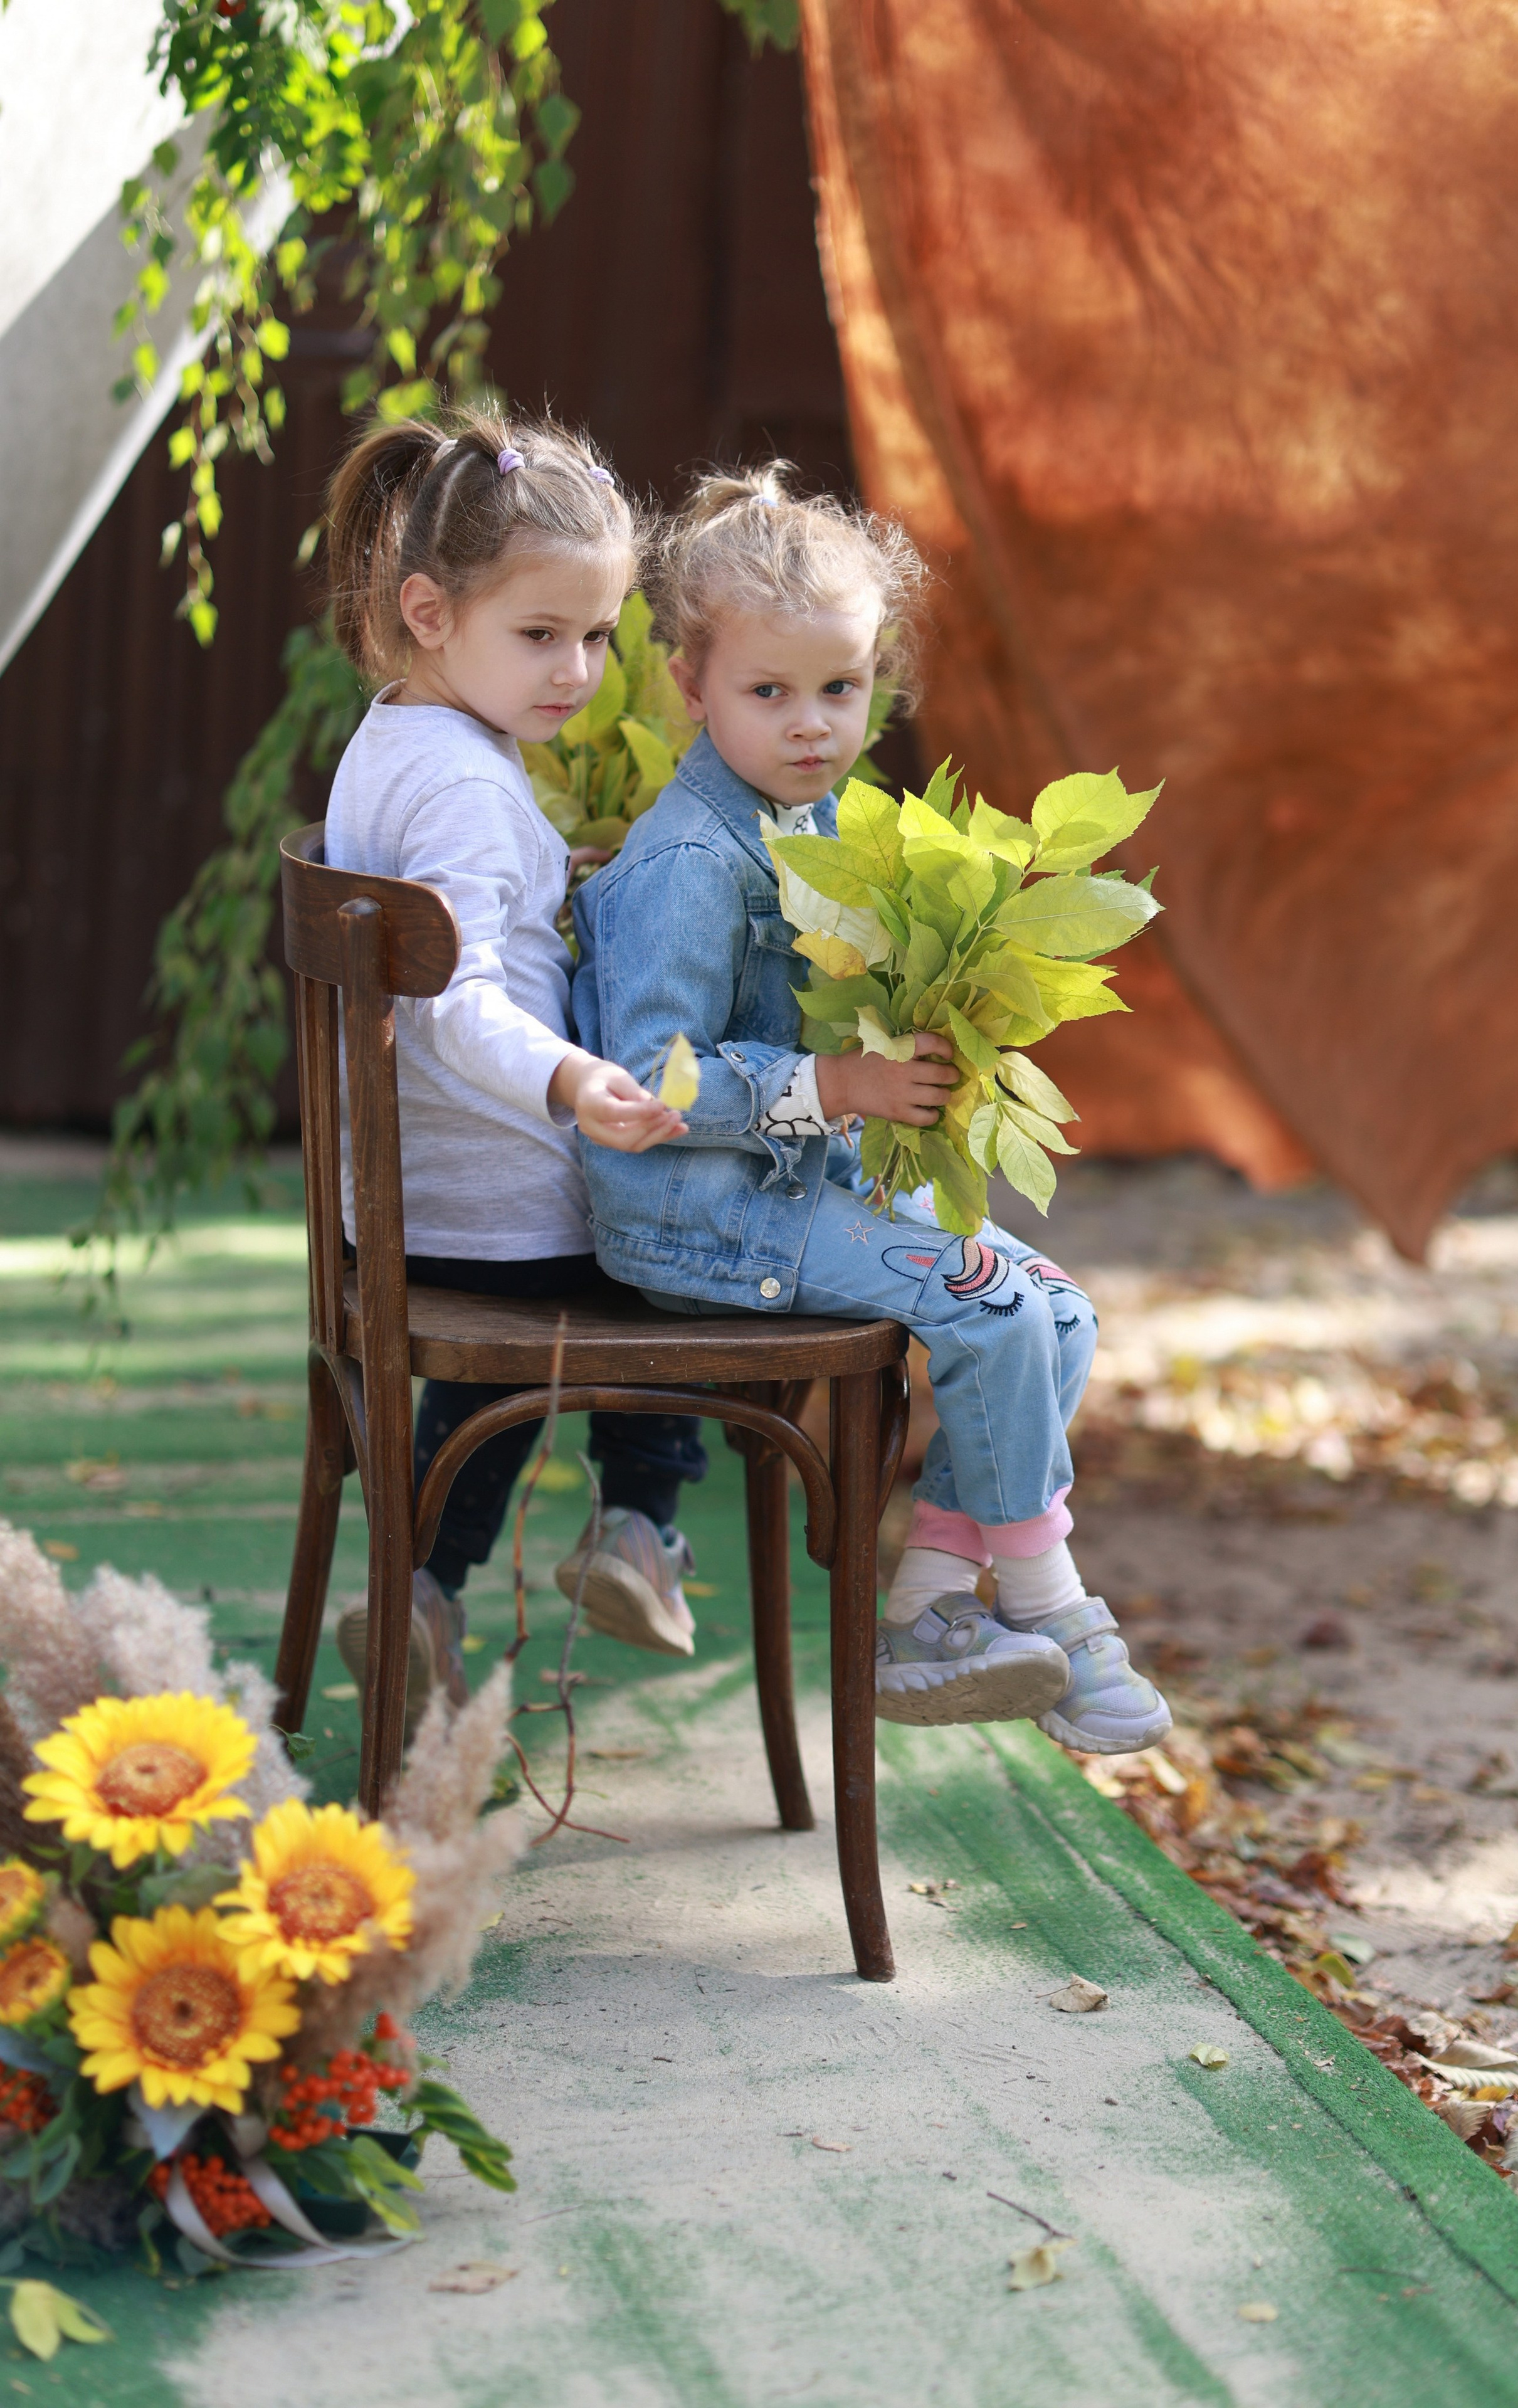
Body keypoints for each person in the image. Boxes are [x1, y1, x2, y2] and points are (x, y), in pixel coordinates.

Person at [571, 464, 1171, 1751]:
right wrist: (835, 1087)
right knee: (990, 1303)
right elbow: (647, 1077)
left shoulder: (829, 823)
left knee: (1058, 1312)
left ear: (877, 681)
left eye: (837, 690)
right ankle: (1052, 1609)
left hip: (796, 1190)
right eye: (767, 693)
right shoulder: (689, 859)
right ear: (690, 686)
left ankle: (935, 1607)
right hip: (695, 1212)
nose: (808, 726)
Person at [321, 408, 708, 1736]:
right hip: (505, 1204)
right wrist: (567, 1081)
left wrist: (562, 882)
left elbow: (461, 923)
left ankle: (422, 1582)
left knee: (503, 1366)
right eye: (538, 635)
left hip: (416, 1201)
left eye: (597, 636)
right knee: (704, 1253)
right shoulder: (474, 792)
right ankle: (643, 1525)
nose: (577, 672)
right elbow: (457, 1001)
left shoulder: (396, 740)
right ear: (428, 610)